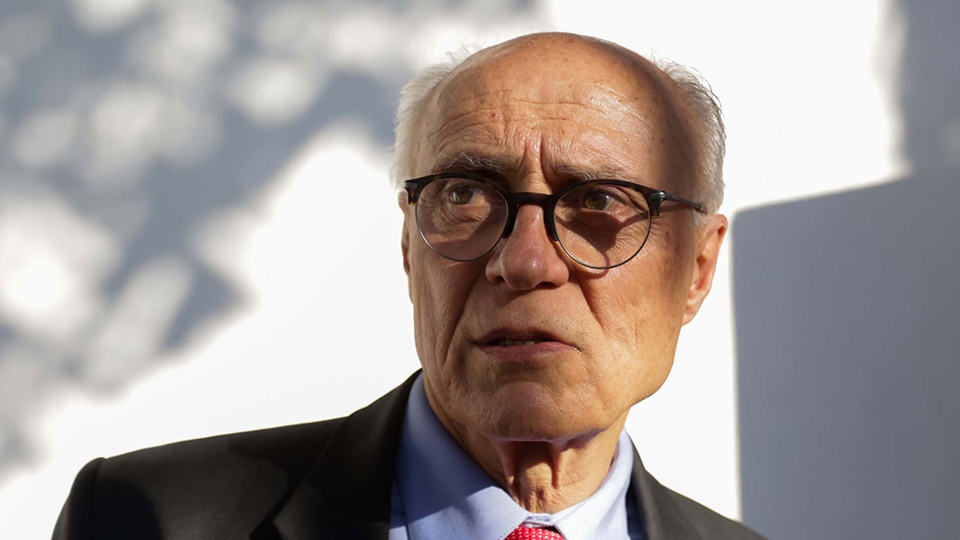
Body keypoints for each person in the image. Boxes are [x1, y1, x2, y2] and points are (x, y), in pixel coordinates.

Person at [53, 32, 764, 540]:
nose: (525, 262)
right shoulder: (144, 518)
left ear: (697, 269)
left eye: (600, 201)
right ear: (408, 247)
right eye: (466, 194)